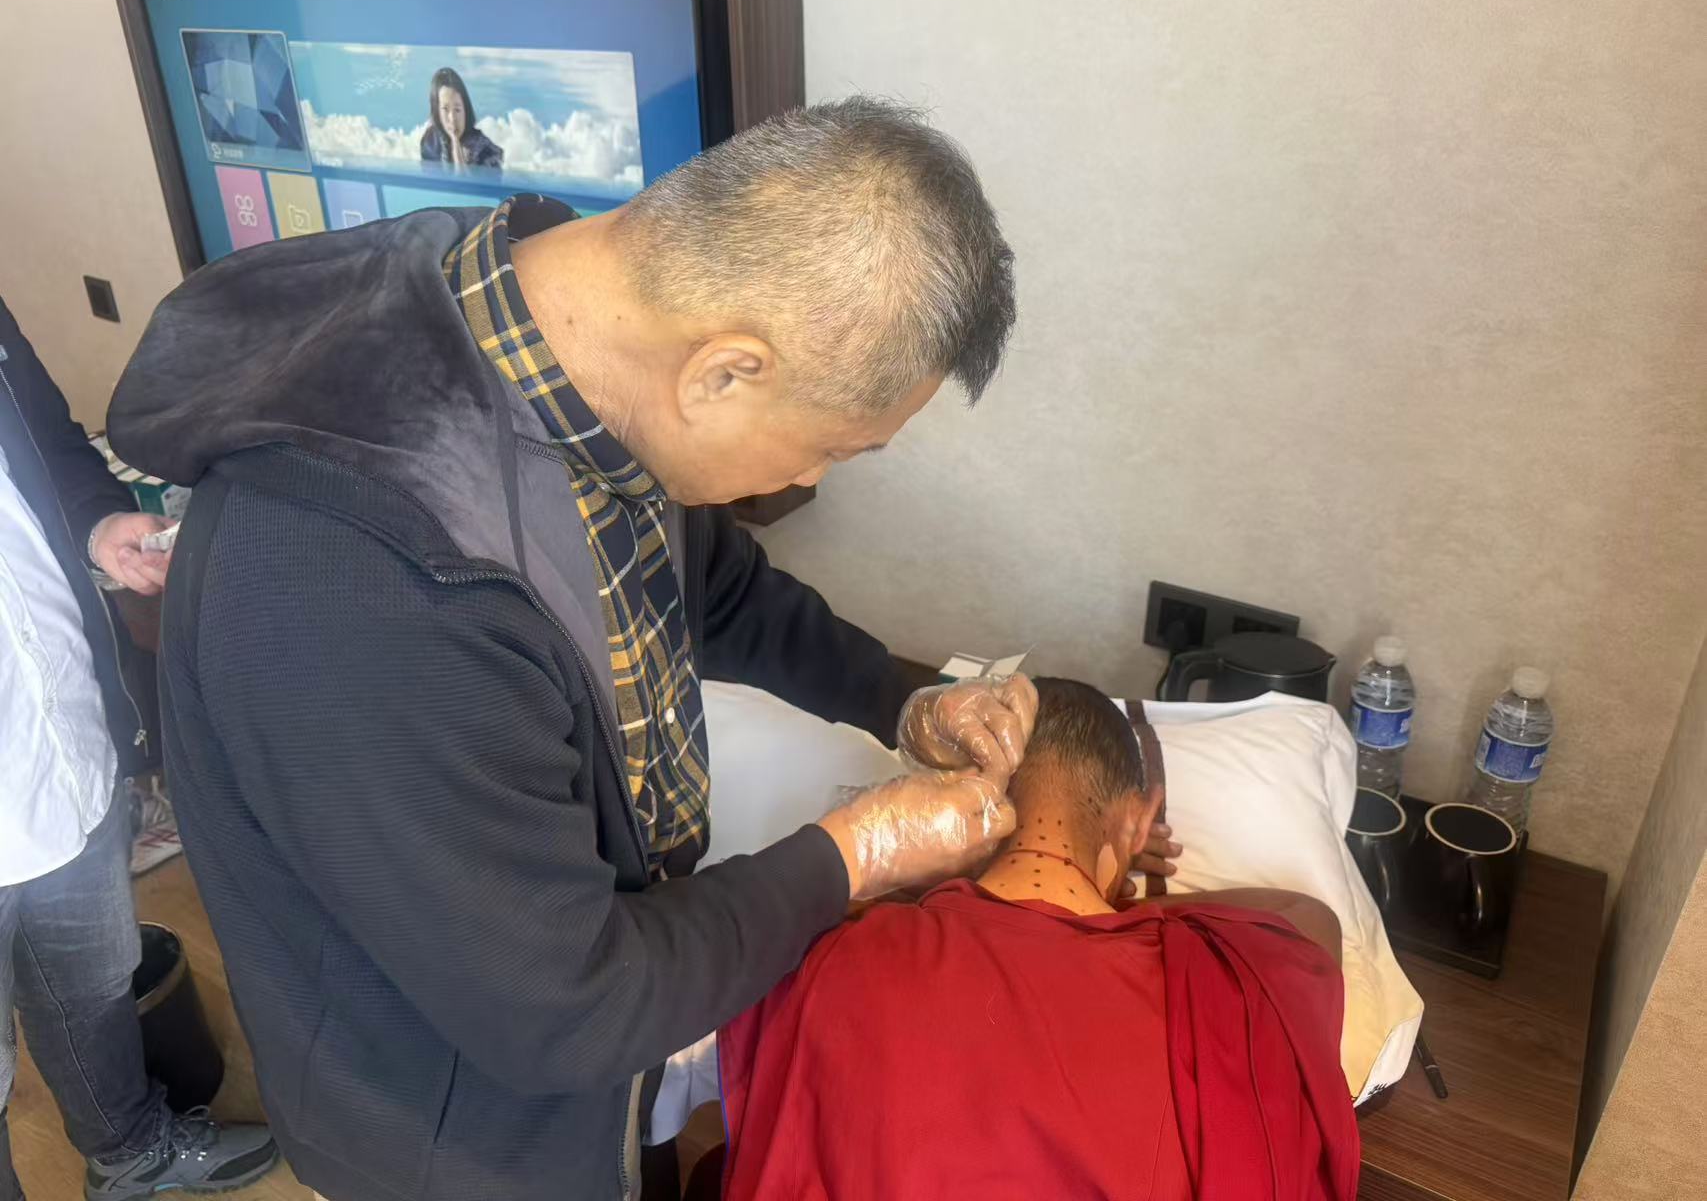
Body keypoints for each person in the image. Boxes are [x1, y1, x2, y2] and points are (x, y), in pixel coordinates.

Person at [102, 97, 1105, 1201]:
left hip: (597, 1045)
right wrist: (854, 853)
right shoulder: (370, 591)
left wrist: (901, 699)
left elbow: (712, 584)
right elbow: (564, 1007)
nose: (811, 479)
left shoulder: (557, 325)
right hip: (455, 1136)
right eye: (832, 447)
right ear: (724, 371)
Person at [717, 678, 1361, 1201]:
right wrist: (1112, 892)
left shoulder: (825, 950)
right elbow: (1308, 917)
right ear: (1140, 818)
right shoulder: (1229, 978)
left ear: (962, 804)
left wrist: (941, 878)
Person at [0, 298, 277, 1201]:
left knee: (89, 987)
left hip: (57, 752)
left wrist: (98, 524)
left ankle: (129, 1153)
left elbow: (48, 442)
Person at [418, 66, 504, 171]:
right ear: (437, 111)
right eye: (445, 109)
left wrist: (456, 147)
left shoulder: (486, 151)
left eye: (457, 110)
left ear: (465, 109)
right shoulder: (431, 142)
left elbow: (466, 181)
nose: (452, 118)